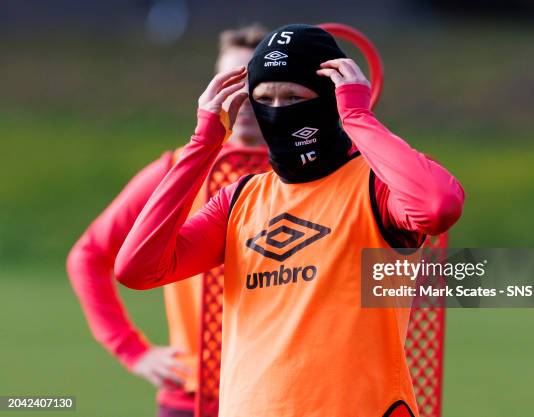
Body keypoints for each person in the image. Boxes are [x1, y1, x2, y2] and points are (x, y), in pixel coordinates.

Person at [115, 24, 465, 417]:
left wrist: (357, 117)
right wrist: (203, 144)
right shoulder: (238, 200)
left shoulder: (374, 188)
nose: (277, 112)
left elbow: (438, 206)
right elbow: (137, 269)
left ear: (330, 98)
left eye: (294, 96)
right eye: (264, 98)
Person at [66, 24, 268, 417]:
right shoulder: (178, 171)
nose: (240, 99)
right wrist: (132, 351)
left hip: (281, 392)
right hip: (194, 398)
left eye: (255, 84)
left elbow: (400, 262)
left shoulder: (320, 178)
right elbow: (89, 256)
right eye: (228, 82)